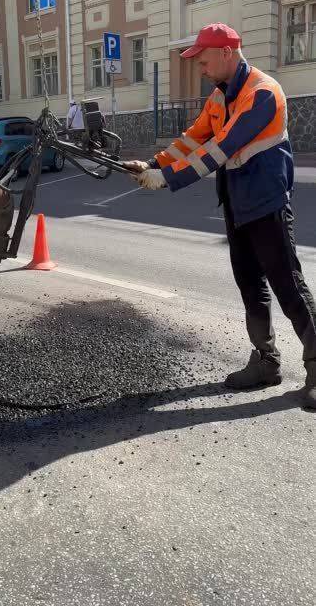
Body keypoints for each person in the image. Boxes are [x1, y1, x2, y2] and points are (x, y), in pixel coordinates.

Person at [122, 22, 316, 409]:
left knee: (289, 288)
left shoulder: (263, 93)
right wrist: (151, 162)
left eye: (204, 60)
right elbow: (194, 138)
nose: (201, 68)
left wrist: (166, 178)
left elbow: (221, 149)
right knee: (251, 287)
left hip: (268, 204)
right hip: (237, 204)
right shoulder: (218, 97)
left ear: (227, 52)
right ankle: (266, 363)